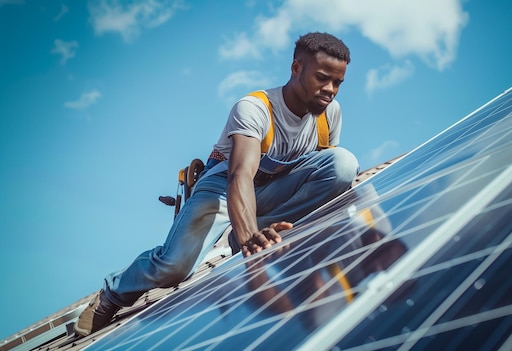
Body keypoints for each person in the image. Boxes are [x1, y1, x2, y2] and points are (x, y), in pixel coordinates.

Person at [74, 32, 359, 336]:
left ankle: (245, 235)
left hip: (275, 189)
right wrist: (250, 234)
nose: (330, 90)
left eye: (338, 83)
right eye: (322, 78)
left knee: (343, 164)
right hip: (224, 189)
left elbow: (320, 176)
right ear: (296, 68)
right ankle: (114, 293)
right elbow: (240, 175)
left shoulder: (329, 114)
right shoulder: (255, 108)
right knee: (175, 267)